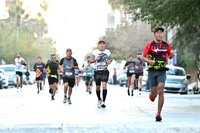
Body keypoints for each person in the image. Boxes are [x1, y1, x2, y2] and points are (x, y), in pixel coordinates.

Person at [142, 27, 174, 122]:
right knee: (153, 94)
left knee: (161, 89)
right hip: (152, 71)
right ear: (154, 34)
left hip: (162, 70)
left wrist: (172, 54)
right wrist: (149, 61)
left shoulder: (166, 45)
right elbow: (143, 57)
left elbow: (170, 56)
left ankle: (158, 113)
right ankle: (152, 95)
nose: (160, 34)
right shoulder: (150, 44)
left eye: (161, 33)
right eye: (158, 33)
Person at [89, 38, 112, 108]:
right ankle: (99, 99)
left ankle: (104, 102)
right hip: (97, 72)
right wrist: (96, 59)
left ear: (104, 45)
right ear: (98, 45)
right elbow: (90, 60)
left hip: (105, 71)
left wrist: (109, 62)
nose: (102, 45)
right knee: (97, 88)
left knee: (104, 85)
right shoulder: (94, 52)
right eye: (100, 44)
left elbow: (110, 59)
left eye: (103, 44)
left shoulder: (108, 52)